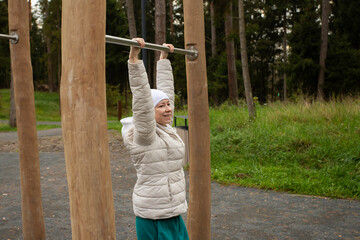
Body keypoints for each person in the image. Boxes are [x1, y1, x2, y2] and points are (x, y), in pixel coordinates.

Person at [120, 38, 189, 240]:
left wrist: (164, 59)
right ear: (149, 113)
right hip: (153, 217)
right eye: (161, 106)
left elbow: (166, 93)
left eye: (169, 104)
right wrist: (134, 59)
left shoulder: (167, 129)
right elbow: (142, 99)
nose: (168, 109)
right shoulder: (144, 136)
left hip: (173, 213)